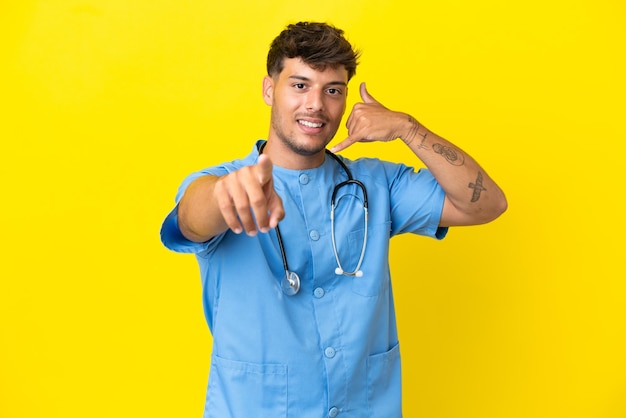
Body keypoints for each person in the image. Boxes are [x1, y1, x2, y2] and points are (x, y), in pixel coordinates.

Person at [161, 21, 507, 418]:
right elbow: (190, 220)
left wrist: (408, 128)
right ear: (269, 90)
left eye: (332, 90)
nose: (316, 105)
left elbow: (486, 204)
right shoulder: (224, 184)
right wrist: (224, 197)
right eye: (300, 85)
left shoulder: (378, 185)